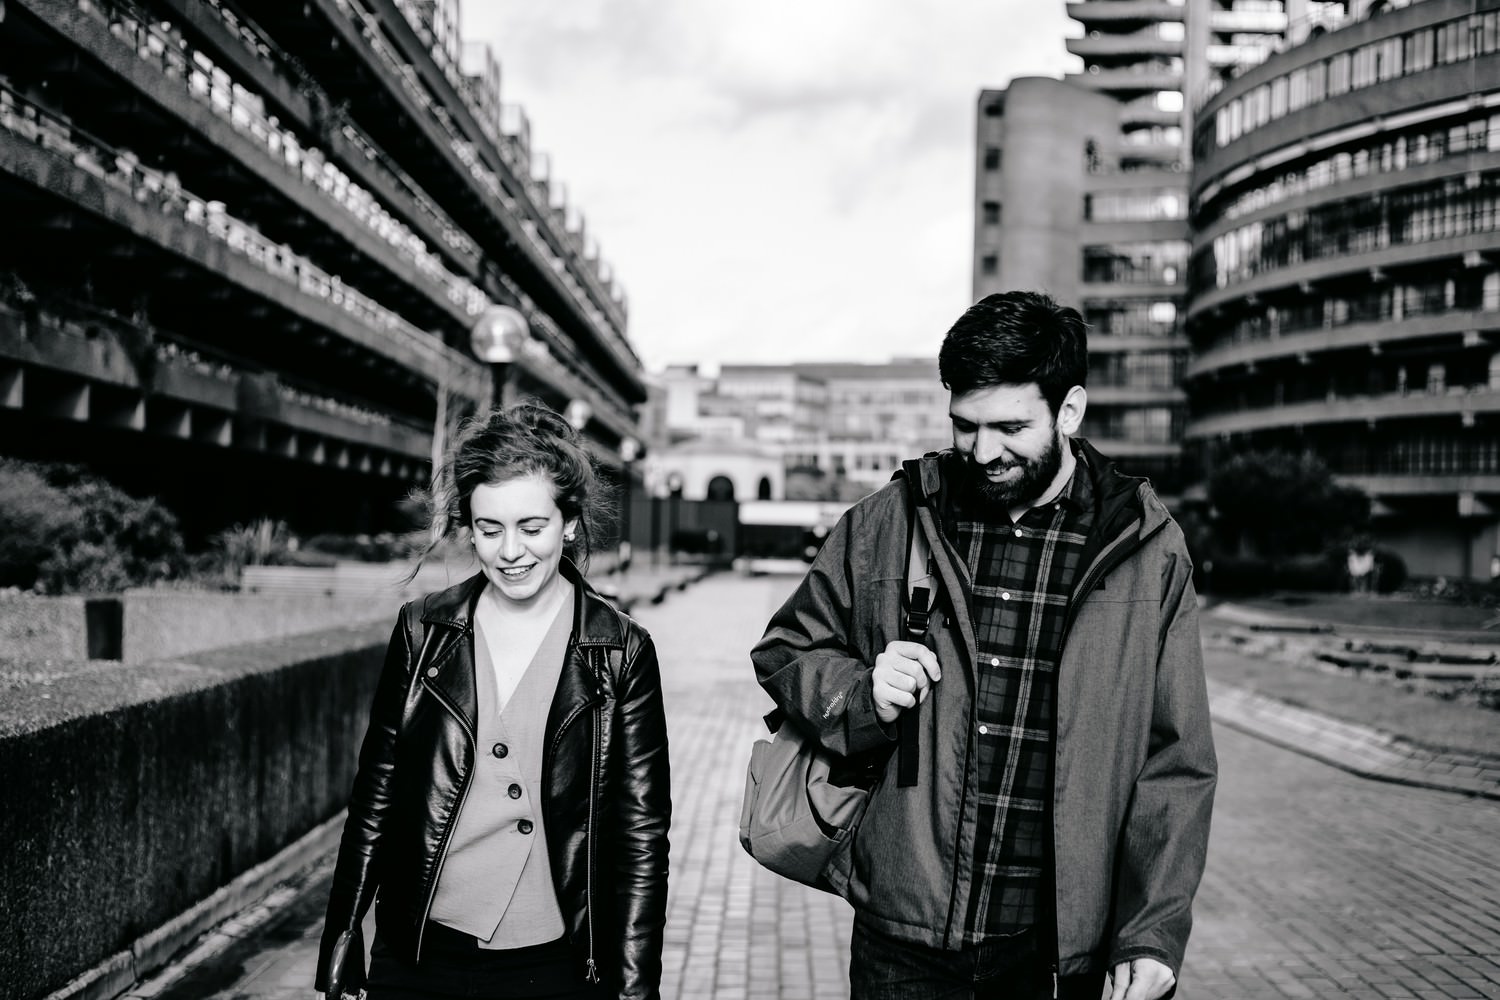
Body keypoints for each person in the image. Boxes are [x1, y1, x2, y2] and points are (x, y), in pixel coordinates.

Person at [752, 291, 1216, 1000]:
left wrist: (1151, 931)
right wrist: (860, 693)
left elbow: (1175, 760)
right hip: (903, 938)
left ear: (1069, 411)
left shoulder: (1147, 551)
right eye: (966, 426)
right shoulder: (889, 521)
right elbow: (787, 648)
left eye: (1010, 427)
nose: (983, 451)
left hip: (1060, 951)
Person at [316, 402, 671, 1000]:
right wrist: (343, 937)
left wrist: (635, 987)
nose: (510, 551)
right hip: (420, 954)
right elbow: (376, 796)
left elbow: (641, 835)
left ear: (571, 523)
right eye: (489, 528)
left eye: (532, 527)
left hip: (558, 964)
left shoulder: (620, 651)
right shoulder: (424, 630)